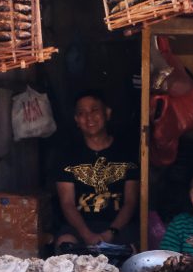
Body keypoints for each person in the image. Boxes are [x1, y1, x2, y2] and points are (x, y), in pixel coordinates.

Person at [55, 92, 139, 249]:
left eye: (94, 110)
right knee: (65, 243)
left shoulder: (126, 153)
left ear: (107, 113)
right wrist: (86, 234)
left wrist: (111, 232)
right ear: (76, 121)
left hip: (117, 227)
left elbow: (130, 201)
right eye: (82, 113)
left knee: (131, 252)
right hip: (80, 226)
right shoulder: (67, 155)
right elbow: (67, 203)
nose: (89, 117)